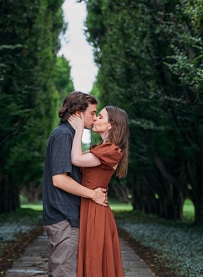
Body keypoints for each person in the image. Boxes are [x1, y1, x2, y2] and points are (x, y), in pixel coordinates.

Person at [42, 91, 108, 277]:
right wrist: (93, 194)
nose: (94, 118)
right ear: (79, 113)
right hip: (64, 217)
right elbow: (59, 179)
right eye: (92, 113)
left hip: (63, 216)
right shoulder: (64, 135)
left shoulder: (68, 135)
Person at [68, 105, 129, 277]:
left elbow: (76, 159)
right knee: (92, 259)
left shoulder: (112, 151)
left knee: (95, 260)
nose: (95, 119)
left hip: (95, 210)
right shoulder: (103, 148)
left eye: (100, 117)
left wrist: (79, 129)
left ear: (111, 124)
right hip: (90, 205)